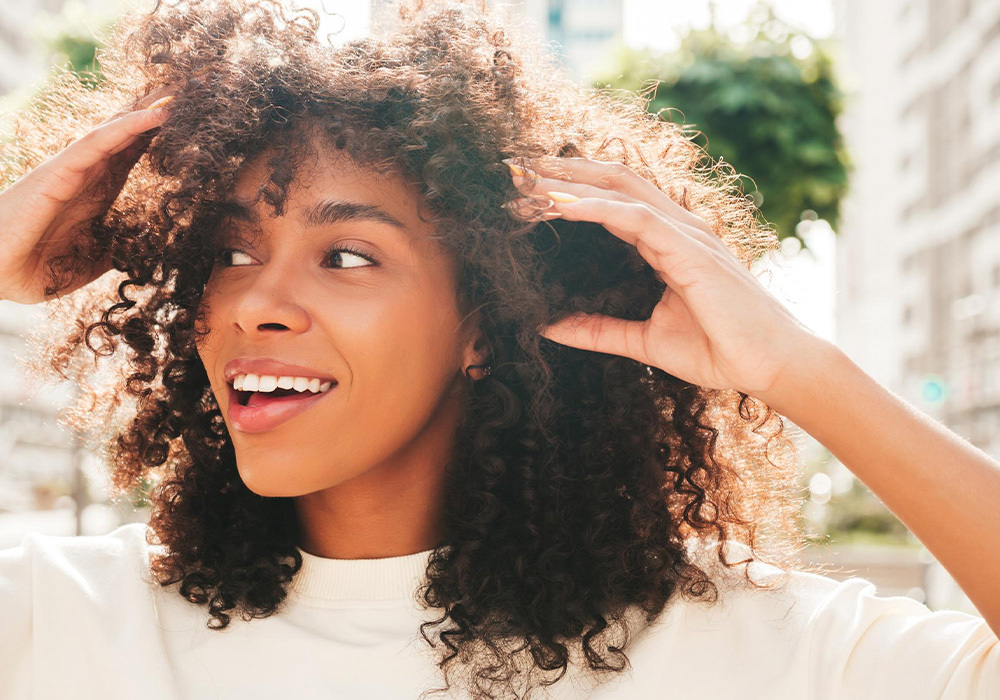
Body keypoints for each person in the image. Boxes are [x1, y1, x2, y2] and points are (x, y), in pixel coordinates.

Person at [0, 0, 997, 698]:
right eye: (228, 249)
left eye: (345, 255)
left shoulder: (741, 643)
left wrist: (794, 369)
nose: (256, 301)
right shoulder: (68, 620)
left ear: (482, 324)